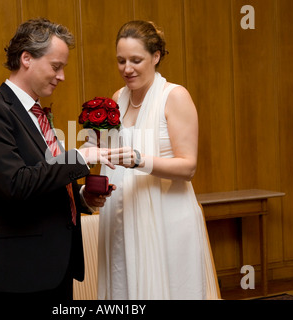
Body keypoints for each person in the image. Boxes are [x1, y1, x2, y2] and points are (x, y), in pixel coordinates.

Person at [0, 18, 116, 301]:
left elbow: (45, 178)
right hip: (23, 272)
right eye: (56, 66)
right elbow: (16, 183)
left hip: (57, 265)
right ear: (26, 58)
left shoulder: (38, 114)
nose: (61, 76)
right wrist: (79, 158)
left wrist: (82, 196)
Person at [98, 20, 219, 299]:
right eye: (121, 61)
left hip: (168, 216)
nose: (127, 69)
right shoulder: (118, 98)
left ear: (156, 57)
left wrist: (140, 160)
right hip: (124, 215)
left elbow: (188, 167)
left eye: (136, 60)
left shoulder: (175, 97)